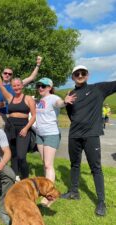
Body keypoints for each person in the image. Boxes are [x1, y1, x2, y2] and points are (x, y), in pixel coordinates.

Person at [61, 65, 116, 216]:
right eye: (76, 73)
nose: (80, 75)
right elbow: (72, 115)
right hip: (74, 135)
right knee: (74, 164)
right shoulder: (71, 94)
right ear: (72, 76)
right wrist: (66, 102)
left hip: (91, 135)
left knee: (96, 168)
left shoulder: (98, 89)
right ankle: (74, 192)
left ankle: (101, 202)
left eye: (82, 73)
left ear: (87, 75)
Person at [35, 77, 76, 206]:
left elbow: (59, 103)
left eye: (43, 86)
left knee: (48, 164)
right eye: (39, 85)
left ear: (49, 87)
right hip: (40, 134)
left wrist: (65, 101)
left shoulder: (53, 98)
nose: (40, 88)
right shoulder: (40, 100)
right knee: (44, 162)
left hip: (51, 134)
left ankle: (49, 195)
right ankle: (45, 187)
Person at [0, 64, 36, 181]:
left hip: (23, 127)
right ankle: (15, 176)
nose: (16, 87)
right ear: (12, 87)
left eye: (18, 85)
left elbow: (34, 116)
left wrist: (26, 128)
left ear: (22, 86)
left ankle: (25, 178)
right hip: (10, 126)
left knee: (22, 156)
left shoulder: (28, 98)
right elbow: (0, 85)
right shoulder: (10, 98)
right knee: (12, 153)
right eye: (14, 86)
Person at [0, 56, 42, 128]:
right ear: (2, 74)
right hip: (1, 115)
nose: (7, 75)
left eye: (9, 74)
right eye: (5, 73)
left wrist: (38, 65)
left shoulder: (16, 86)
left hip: (14, 116)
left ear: (12, 76)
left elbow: (31, 77)